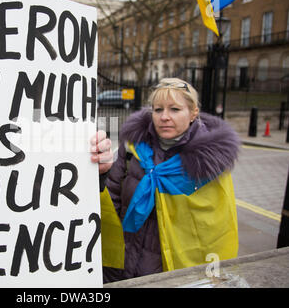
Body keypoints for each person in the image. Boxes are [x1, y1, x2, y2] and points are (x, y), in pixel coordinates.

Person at [102, 78, 240, 283]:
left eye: (175, 109)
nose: (164, 117)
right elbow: (110, 199)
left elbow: (215, 229)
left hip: (174, 270)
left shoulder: (208, 162)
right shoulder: (132, 148)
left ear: (193, 113)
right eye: (158, 110)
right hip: (122, 259)